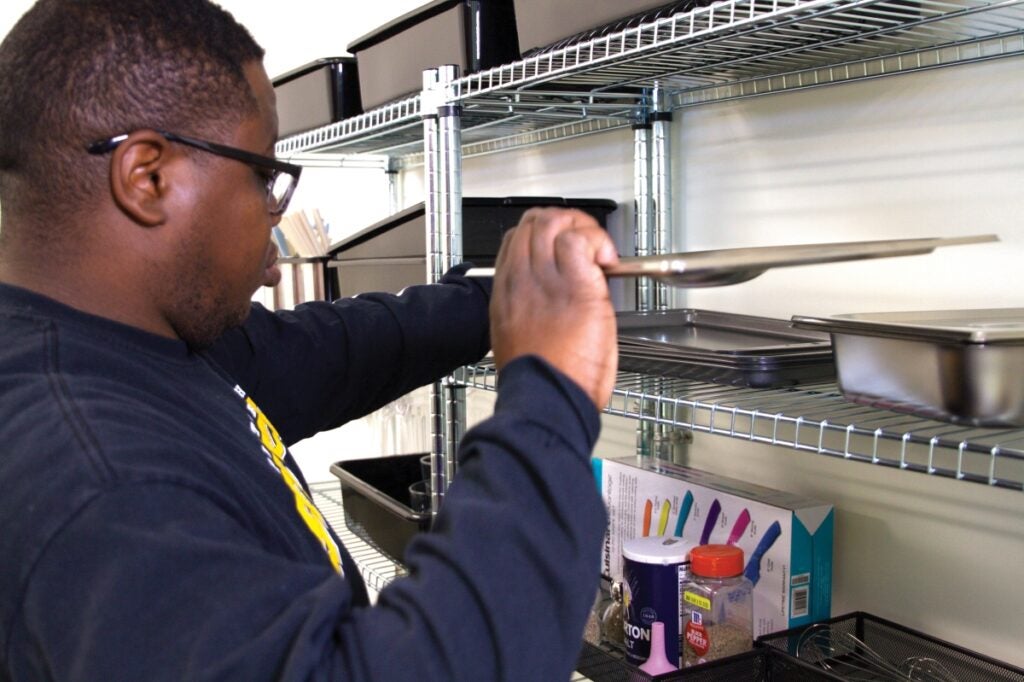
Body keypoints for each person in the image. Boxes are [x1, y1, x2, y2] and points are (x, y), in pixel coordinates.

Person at [0, 1, 620, 680]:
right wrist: (549, 394)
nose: (273, 242)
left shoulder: (127, 341)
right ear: (148, 177)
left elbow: (332, 350)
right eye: (263, 177)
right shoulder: (98, 482)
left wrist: (507, 298)